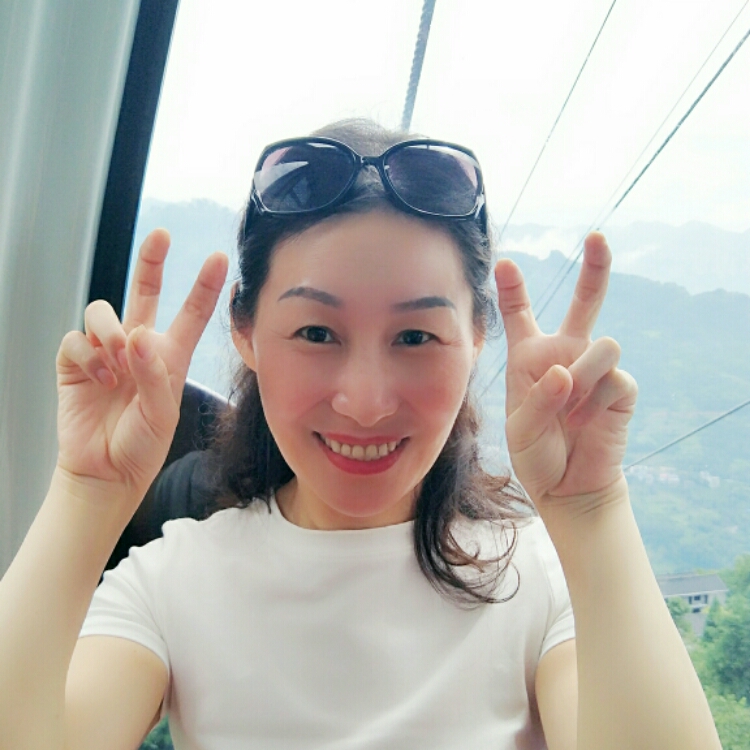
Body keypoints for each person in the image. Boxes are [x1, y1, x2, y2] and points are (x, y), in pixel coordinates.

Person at [0, 119, 721, 750]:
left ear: (477, 338)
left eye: (415, 336)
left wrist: (591, 510)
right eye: (317, 332)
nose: (367, 403)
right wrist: (88, 491)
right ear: (245, 332)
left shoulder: (536, 578)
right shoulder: (171, 584)